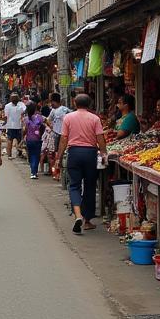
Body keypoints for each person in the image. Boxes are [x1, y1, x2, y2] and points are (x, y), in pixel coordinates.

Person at [54, 94, 108, 235]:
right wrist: (104, 154)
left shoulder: (68, 117)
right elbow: (100, 138)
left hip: (74, 153)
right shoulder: (95, 118)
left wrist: (58, 158)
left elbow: (64, 139)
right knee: (90, 186)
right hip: (90, 154)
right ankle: (87, 220)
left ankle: (78, 215)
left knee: (74, 185)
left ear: (74, 103)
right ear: (90, 104)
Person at [23, 101, 46, 178]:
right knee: (36, 156)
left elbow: (25, 130)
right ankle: (34, 172)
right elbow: (43, 126)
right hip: (37, 139)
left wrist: (23, 136)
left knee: (31, 155)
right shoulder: (39, 117)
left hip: (29, 140)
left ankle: (33, 171)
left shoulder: (26, 118)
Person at [2, 91, 26, 159]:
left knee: (10, 140)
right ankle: (19, 153)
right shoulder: (21, 105)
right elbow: (24, 111)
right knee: (18, 140)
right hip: (18, 126)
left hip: (11, 126)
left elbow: (6, 117)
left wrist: (4, 124)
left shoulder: (7, 106)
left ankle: (9, 155)